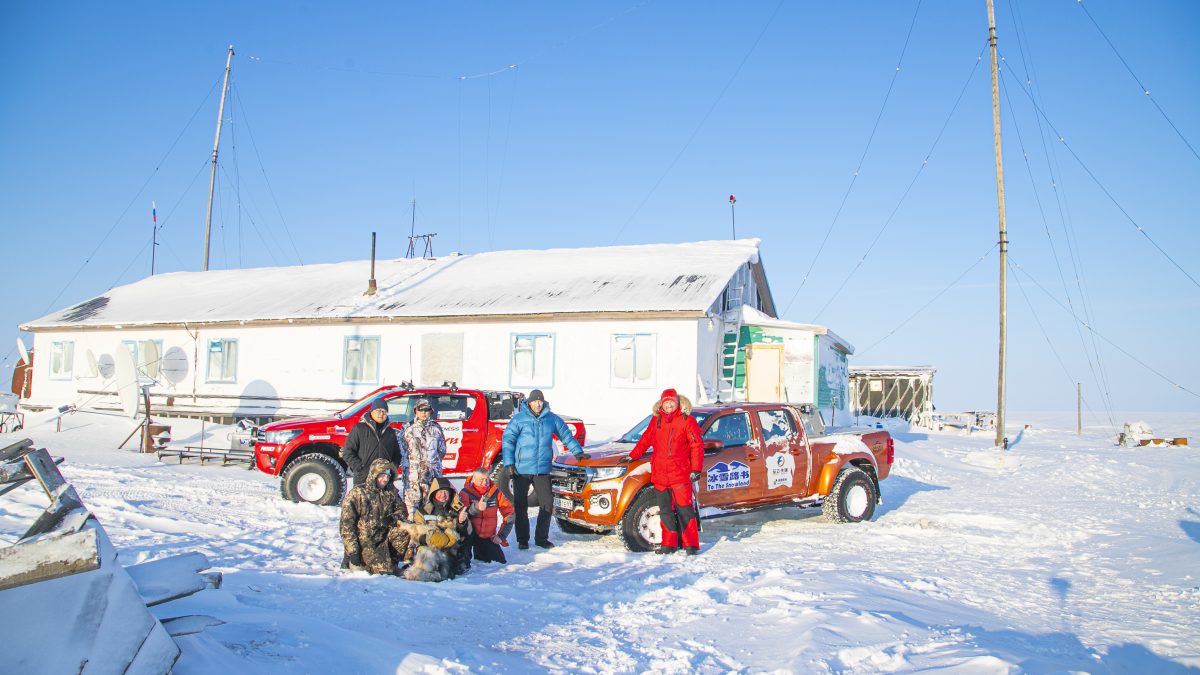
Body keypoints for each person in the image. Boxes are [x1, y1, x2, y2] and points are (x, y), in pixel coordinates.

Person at [501, 389, 589, 550]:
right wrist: (509, 463)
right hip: (521, 469)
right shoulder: (519, 419)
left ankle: (541, 538)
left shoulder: (551, 419)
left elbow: (566, 435)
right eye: (535, 401)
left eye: (540, 401)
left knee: (547, 504)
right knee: (521, 505)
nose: (538, 404)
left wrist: (578, 452)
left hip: (542, 469)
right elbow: (508, 440)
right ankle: (523, 540)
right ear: (529, 402)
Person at [621, 388, 704, 555]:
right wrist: (633, 456)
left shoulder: (687, 421)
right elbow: (645, 439)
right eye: (666, 402)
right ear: (662, 404)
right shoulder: (656, 421)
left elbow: (697, 446)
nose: (669, 405)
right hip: (660, 474)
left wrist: (696, 469)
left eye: (672, 402)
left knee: (684, 510)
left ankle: (691, 545)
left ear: (677, 403)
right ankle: (668, 544)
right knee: (665, 511)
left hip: (680, 474)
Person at [339, 458, 411, 574]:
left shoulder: (391, 492)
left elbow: (402, 511)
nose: (385, 479)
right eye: (382, 475)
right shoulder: (358, 493)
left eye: (388, 475)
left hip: (383, 539)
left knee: (405, 529)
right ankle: (361, 563)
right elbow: (346, 525)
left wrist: (392, 518)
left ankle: (391, 561)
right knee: (383, 571)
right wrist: (353, 551)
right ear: (374, 474)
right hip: (365, 543)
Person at [406, 475, 471, 579]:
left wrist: (461, 522)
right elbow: (416, 533)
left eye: (446, 492)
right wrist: (429, 539)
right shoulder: (423, 511)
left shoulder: (456, 510)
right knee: (428, 562)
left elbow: (466, 533)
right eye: (440, 492)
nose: (443, 495)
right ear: (433, 493)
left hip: (450, 549)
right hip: (428, 547)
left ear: (451, 494)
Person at [341, 398, 403, 487]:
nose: (381, 414)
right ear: (371, 411)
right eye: (378, 410)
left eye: (384, 411)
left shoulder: (390, 432)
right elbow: (347, 452)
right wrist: (360, 468)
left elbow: (397, 454)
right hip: (363, 481)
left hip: (384, 481)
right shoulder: (359, 429)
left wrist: (392, 468)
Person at [402, 398, 447, 518]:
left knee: (431, 508)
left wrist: (433, 465)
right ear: (415, 411)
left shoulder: (436, 428)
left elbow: (442, 450)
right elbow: (403, 451)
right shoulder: (407, 429)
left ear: (430, 411)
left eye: (426, 410)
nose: (423, 412)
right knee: (411, 510)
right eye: (420, 409)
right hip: (413, 477)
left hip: (432, 476)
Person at [458, 467, 515, 564]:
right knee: (462, 565)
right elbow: (462, 517)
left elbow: (510, 513)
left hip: (486, 535)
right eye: (481, 480)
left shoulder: (496, 492)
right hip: (469, 535)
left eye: (486, 479)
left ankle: (481, 551)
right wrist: (477, 507)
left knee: (499, 562)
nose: (485, 483)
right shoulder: (465, 493)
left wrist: (501, 536)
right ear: (473, 479)